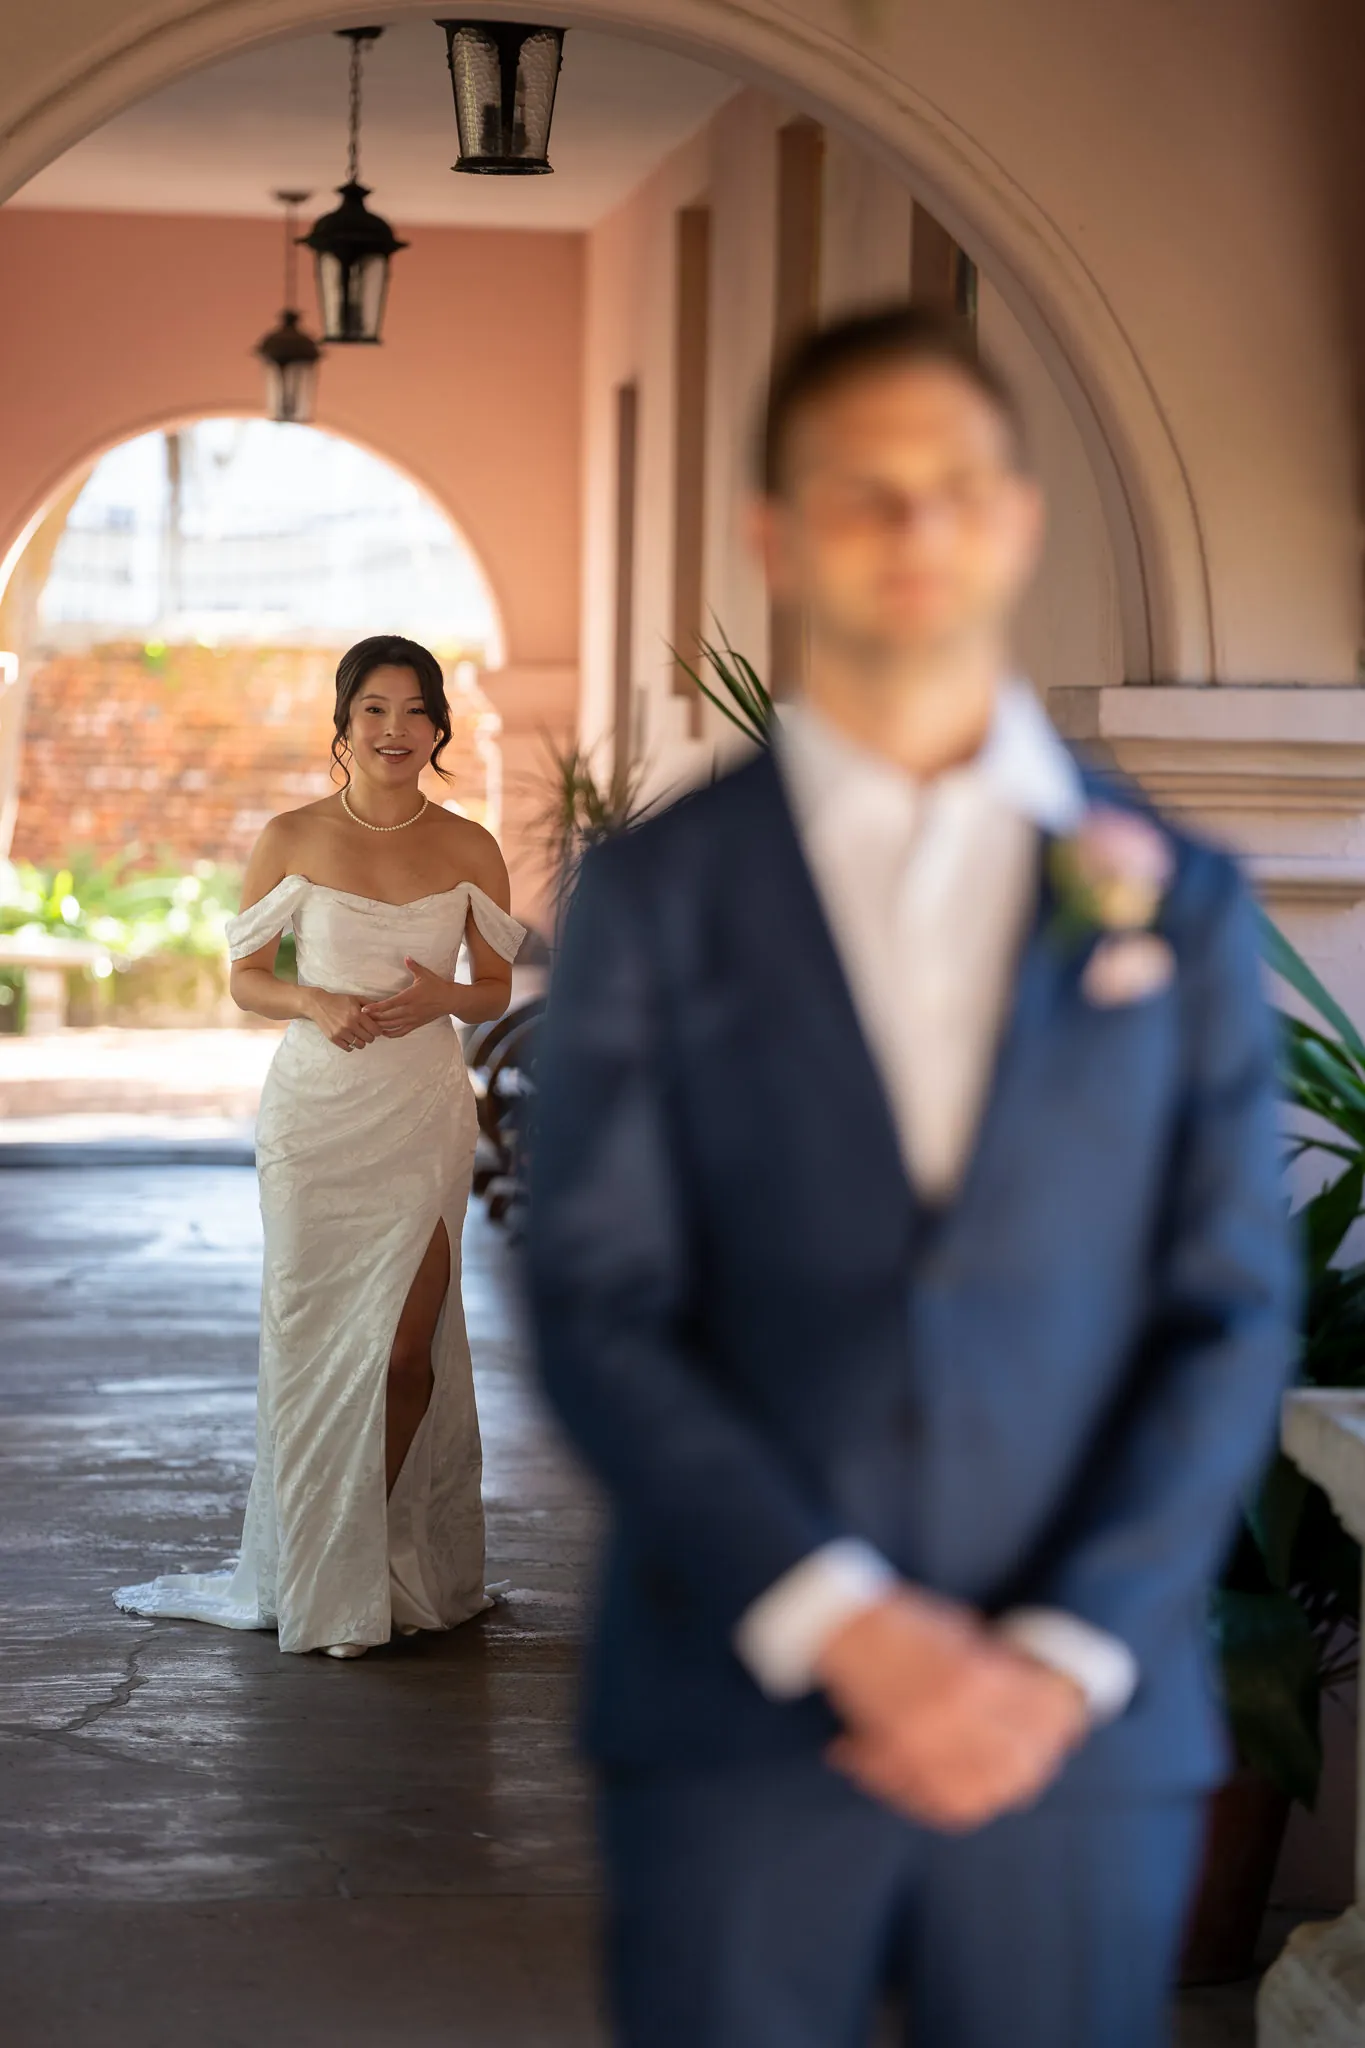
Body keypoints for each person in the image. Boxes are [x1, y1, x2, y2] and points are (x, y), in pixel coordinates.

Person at [526, 309, 1297, 2046]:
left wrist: (1063, 1655)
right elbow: (598, 1295)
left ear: (1018, 521)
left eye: (953, 487)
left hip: (1079, 1732)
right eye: (858, 491)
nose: (913, 528)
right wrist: (846, 1624)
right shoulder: (656, 893)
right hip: (733, 1697)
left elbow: (1233, 1308)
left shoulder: (1175, 897)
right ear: (777, 535)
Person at [116, 634, 524, 1659]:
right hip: (315, 1118)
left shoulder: (471, 844)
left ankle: (371, 1552)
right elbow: (245, 974)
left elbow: (495, 988)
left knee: (405, 1346)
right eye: (374, 710)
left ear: (439, 726)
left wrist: (444, 997)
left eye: (415, 710)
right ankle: (321, 1569)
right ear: (343, 722)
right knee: (309, 1346)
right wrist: (314, 997)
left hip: (423, 1108)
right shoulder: (291, 834)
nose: (395, 730)